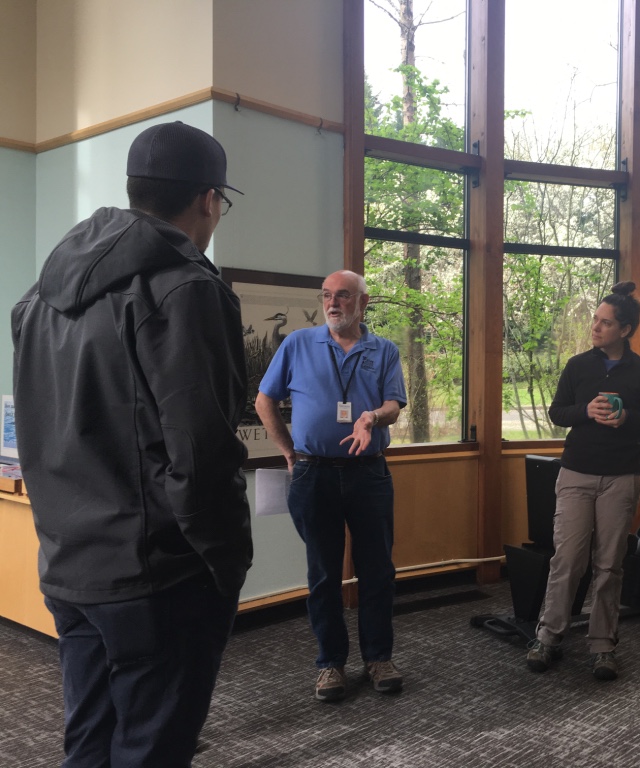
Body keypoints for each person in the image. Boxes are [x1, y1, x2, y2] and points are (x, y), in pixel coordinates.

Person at [11, 121, 252, 767]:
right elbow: (201, 452)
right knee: (152, 750)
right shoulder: (186, 289)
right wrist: (226, 562)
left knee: (89, 741)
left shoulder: (37, 300)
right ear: (207, 199)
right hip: (157, 575)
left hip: (68, 565)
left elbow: (38, 432)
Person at [255, 270, 407, 702]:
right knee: (322, 574)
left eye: (343, 296)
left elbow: (394, 405)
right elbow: (264, 400)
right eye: (326, 296)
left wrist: (371, 417)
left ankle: (378, 658)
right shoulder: (298, 344)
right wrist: (288, 451)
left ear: (363, 303)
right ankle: (330, 665)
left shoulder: (384, 350)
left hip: (369, 473)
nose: (332, 303)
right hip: (313, 473)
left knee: (377, 571)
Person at [526, 281, 640, 681]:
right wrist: (586, 410)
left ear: (624, 330)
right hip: (575, 473)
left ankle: (603, 645)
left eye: (605, 323)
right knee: (567, 559)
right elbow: (557, 413)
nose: (596, 328)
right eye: (595, 320)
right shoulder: (578, 366)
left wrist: (628, 419)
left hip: (621, 476)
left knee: (609, 564)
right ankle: (548, 636)